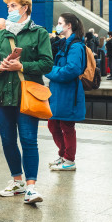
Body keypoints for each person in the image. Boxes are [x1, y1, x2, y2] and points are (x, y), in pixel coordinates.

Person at [0, 0, 53, 204]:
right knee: (7, 140)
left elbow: (47, 63)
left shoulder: (39, 33)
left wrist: (22, 65)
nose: (9, 10)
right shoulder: (0, 35)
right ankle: (17, 181)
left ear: (25, 8)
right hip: (3, 95)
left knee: (28, 140)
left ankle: (31, 187)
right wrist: (0, 65)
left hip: (27, 95)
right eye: (8, 7)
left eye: (13, 6)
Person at [46, 13, 86, 171]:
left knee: (66, 125)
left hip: (68, 92)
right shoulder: (64, 44)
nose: (58, 25)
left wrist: (50, 71)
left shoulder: (76, 46)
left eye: (60, 23)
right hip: (58, 91)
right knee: (53, 124)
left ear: (69, 25)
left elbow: (72, 69)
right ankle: (63, 155)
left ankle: (69, 160)